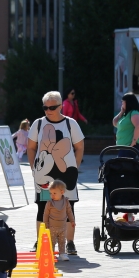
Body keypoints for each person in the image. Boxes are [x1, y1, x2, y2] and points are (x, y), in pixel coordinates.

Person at [27, 91, 85, 255]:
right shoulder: (38, 124)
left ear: (60, 106)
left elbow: (79, 147)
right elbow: (31, 148)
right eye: (45, 107)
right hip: (44, 175)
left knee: (68, 207)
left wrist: (76, 166)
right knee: (43, 207)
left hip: (66, 175)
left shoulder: (70, 123)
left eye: (52, 107)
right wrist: (34, 168)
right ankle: (41, 241)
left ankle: (70, 243)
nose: (48, 110)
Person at [43, 179, 76, 262]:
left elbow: (69, 211)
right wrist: (45, 224)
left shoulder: (66, 201)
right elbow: (46, 214)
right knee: (52, 241)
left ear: (62, 192)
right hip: (52, 226)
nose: (52, 195)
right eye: (51, 193)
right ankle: (51, 254)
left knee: (62, 241)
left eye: (54, 193)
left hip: (63, 226)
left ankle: (62, 253)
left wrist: (72, 221)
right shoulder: (49, 203)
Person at [112, 92, 139, 158]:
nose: (122, 104)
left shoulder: (134, 113)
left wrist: (133, 142)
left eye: (123, 102)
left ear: (128, 102)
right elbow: (115, 123)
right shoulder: (125, 114)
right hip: (124, 147)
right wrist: (121, 112)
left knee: (126, 167)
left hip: (130, 147)